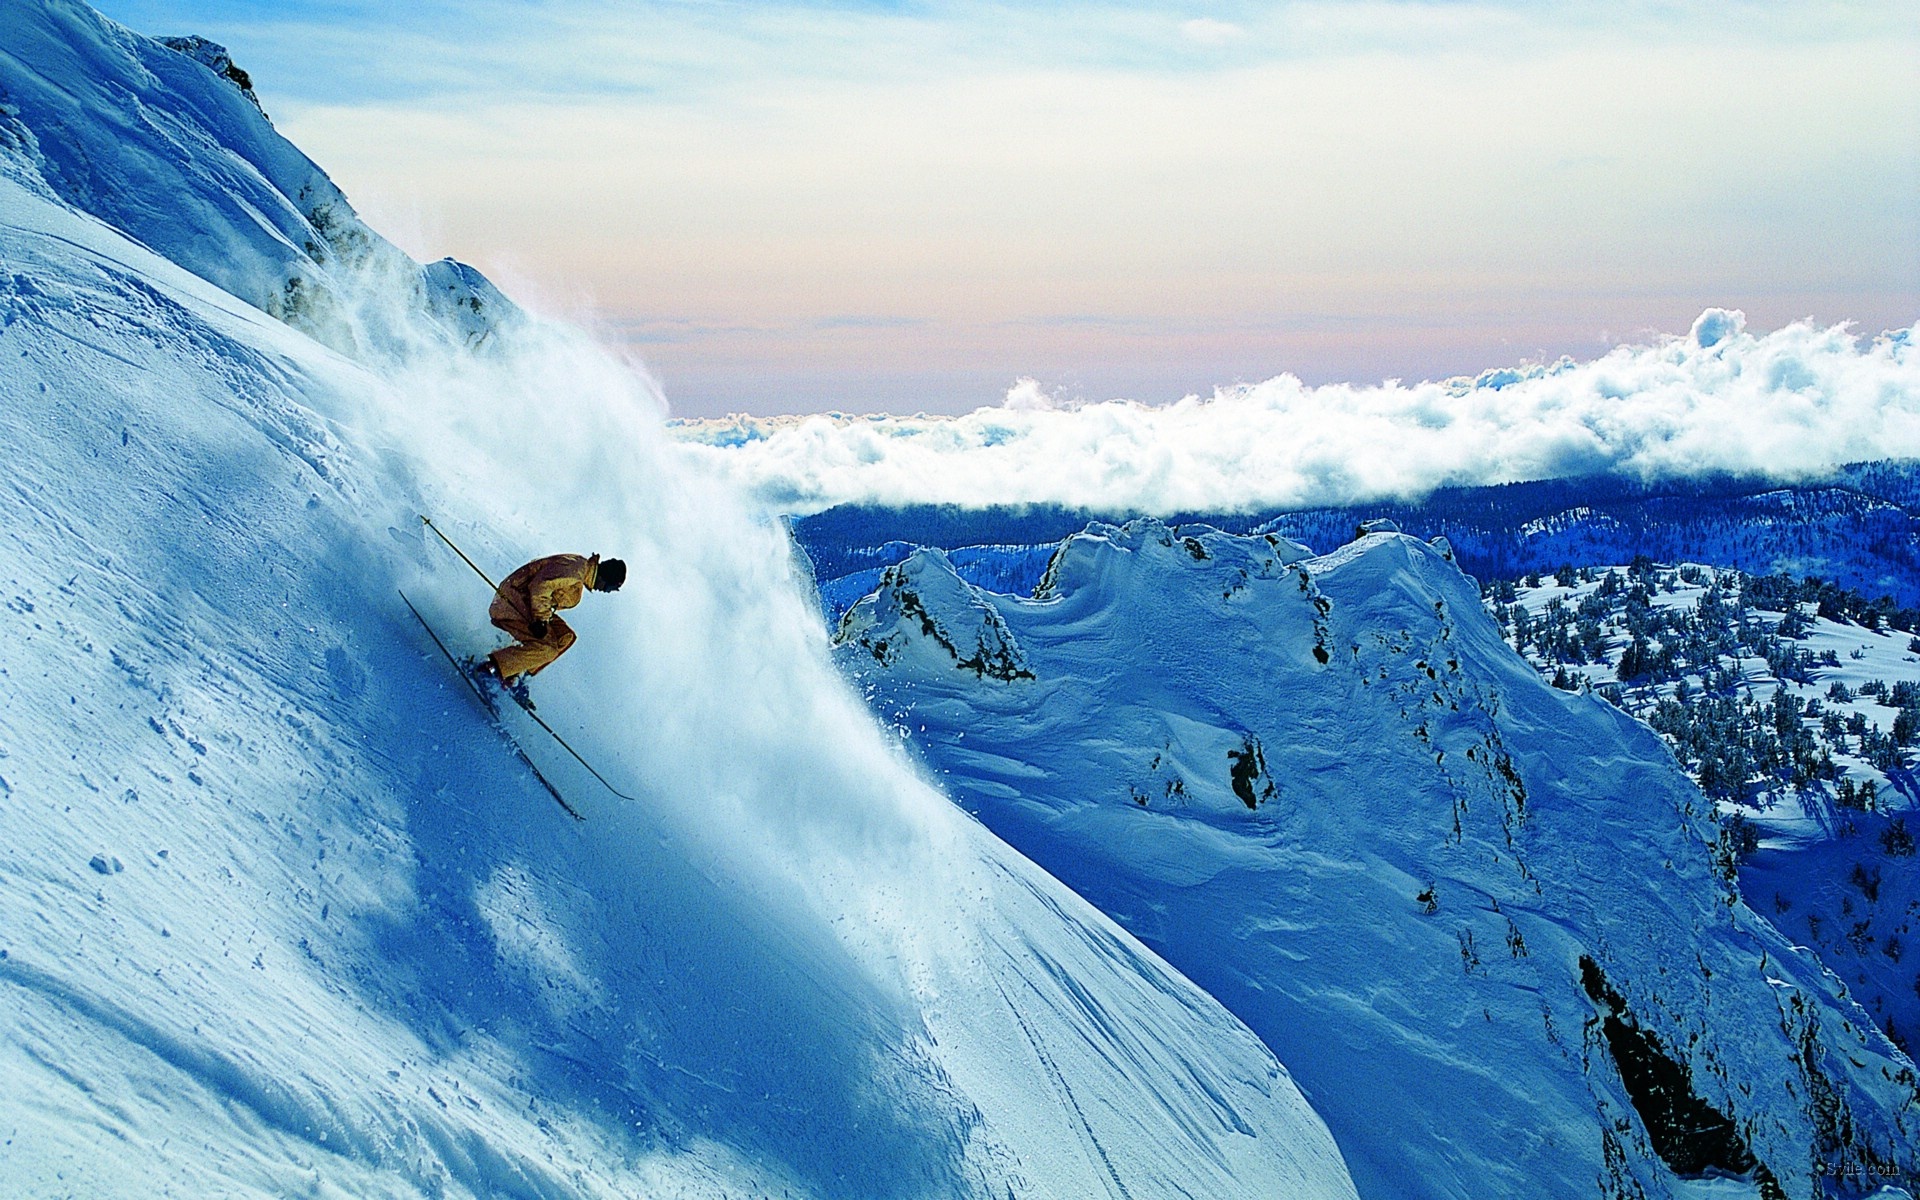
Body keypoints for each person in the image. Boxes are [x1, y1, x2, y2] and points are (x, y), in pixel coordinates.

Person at [475, 553, 626, 686]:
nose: (605, 592)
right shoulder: (575, 570)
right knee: (547, 649)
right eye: (609, 588)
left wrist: (543, 619)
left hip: (525, 603)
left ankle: (516, 673)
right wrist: (541, 620)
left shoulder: (580, 573)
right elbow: (540, 586)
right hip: (511, 599)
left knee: (565, 637)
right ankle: (491, 669)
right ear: (605, 577)